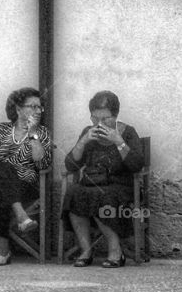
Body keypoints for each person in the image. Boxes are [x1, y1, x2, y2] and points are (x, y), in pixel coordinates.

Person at [61, 91, 145, 268]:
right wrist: (83, 141)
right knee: (74, 193)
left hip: (120, 187)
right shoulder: (88, 132)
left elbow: (136, 165)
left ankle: (115, 252)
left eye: (105, 119)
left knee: (101, 196)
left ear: (115, 116)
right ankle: (86, 251)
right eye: (95, 118)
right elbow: (70, 165)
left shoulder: (128, 132)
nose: (99, 124)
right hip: (92, 182)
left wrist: (119, 142)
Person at [0, 87, 53, 266]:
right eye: (32, 106)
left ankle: (2, 251)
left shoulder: (41, 134)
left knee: (2, 185)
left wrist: (32, 133)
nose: (37, 111)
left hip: (24, 186)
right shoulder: (0, 130)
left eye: (39, 107)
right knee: (3, 170)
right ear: (18, 109)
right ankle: (21, 215)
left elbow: (42, 163)